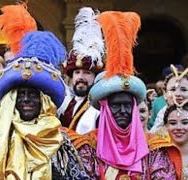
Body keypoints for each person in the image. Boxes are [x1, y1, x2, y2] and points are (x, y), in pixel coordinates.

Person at [0, 3, 89, 179]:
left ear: (43, 101)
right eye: (21, 94)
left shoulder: (60, 139)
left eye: (33, 95)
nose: (27, 99)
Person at [65, 10, 179, 179]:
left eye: (127, 105)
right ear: (104, 109)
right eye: (115, 106)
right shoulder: (88, 147)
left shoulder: (154, 148)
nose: (123, 110)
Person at [59, 7, 104, 134]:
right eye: (77, 72)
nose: (81, 77)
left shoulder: (100, 108)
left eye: (87, 73)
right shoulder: (65, 104)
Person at [150, 65, 188, 133]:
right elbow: (153, 135)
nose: (178, 94)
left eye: (184, 90)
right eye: (173, 89)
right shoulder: (162, 112)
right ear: (165, 94)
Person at [164, 103, 188, 178]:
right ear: (166, 126)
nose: (179, 128)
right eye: (173, 123)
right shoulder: (158, 155)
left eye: (185, 123)